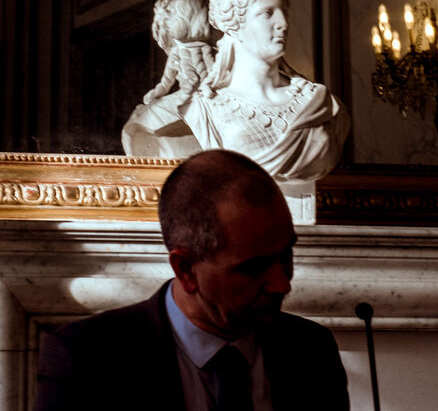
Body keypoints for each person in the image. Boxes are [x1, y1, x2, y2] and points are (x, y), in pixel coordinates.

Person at [33, 149, 350, 411]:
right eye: (254, 268)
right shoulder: (85, 359)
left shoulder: (311, 351)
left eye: (286, 255)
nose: (282, 284)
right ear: (185, 269)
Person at [183, 0, 350, 184]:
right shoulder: (206, 108)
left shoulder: (321, 102)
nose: (284, 23)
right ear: (235, 26)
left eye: (285, 12)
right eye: (267, 13)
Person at [121, 0, 214, 158]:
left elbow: (208, 72)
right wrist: (158, 91)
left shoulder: (207, 50)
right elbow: (167, 79)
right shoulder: (177, 52)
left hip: (202, 97)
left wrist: (207, 87)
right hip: (185, 97)